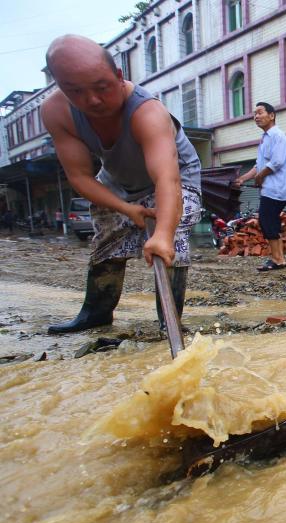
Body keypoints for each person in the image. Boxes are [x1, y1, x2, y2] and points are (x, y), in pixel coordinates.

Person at [41, 34, 201, 334]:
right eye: (75, 91)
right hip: (117, 179)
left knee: (173, 238)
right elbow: (80, 177)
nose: (92, 101)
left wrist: (162, 235)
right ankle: (97, 312)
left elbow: (167, 179)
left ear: (118, 76)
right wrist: (126, 208)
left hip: (175, 175)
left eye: (101, 88)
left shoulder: (147, 112)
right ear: (61, 88)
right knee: (106, 238)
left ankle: (169, 321)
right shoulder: (57, 111)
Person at [235, 102, 286, 271]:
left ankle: (277, 259)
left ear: (271, 115)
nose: (256, 117)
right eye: (254, 114)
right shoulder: (266, 138)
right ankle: (279, 259)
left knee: (267, 223)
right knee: (271, 223)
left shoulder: (278, 136)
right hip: (269, 189)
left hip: (275, 189)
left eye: (260, 113)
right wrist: (242, 179)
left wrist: (260, 176)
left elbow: (277, 162)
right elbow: (258, 165)